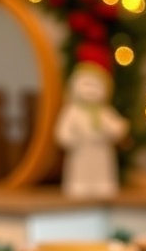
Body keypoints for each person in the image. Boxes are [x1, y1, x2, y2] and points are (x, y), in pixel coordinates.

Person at [54, 60, 128, 197]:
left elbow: (117, 127)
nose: (91, 90)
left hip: (101, 151)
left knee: (102, 171)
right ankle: (79, 185)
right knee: (81, 172)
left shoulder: (105, 112)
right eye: (87, 84)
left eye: (96, 86)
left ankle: (103, 185)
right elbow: (62, 133)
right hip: (81, 150)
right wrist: (71, 138)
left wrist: (114, 128)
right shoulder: (72, 111)